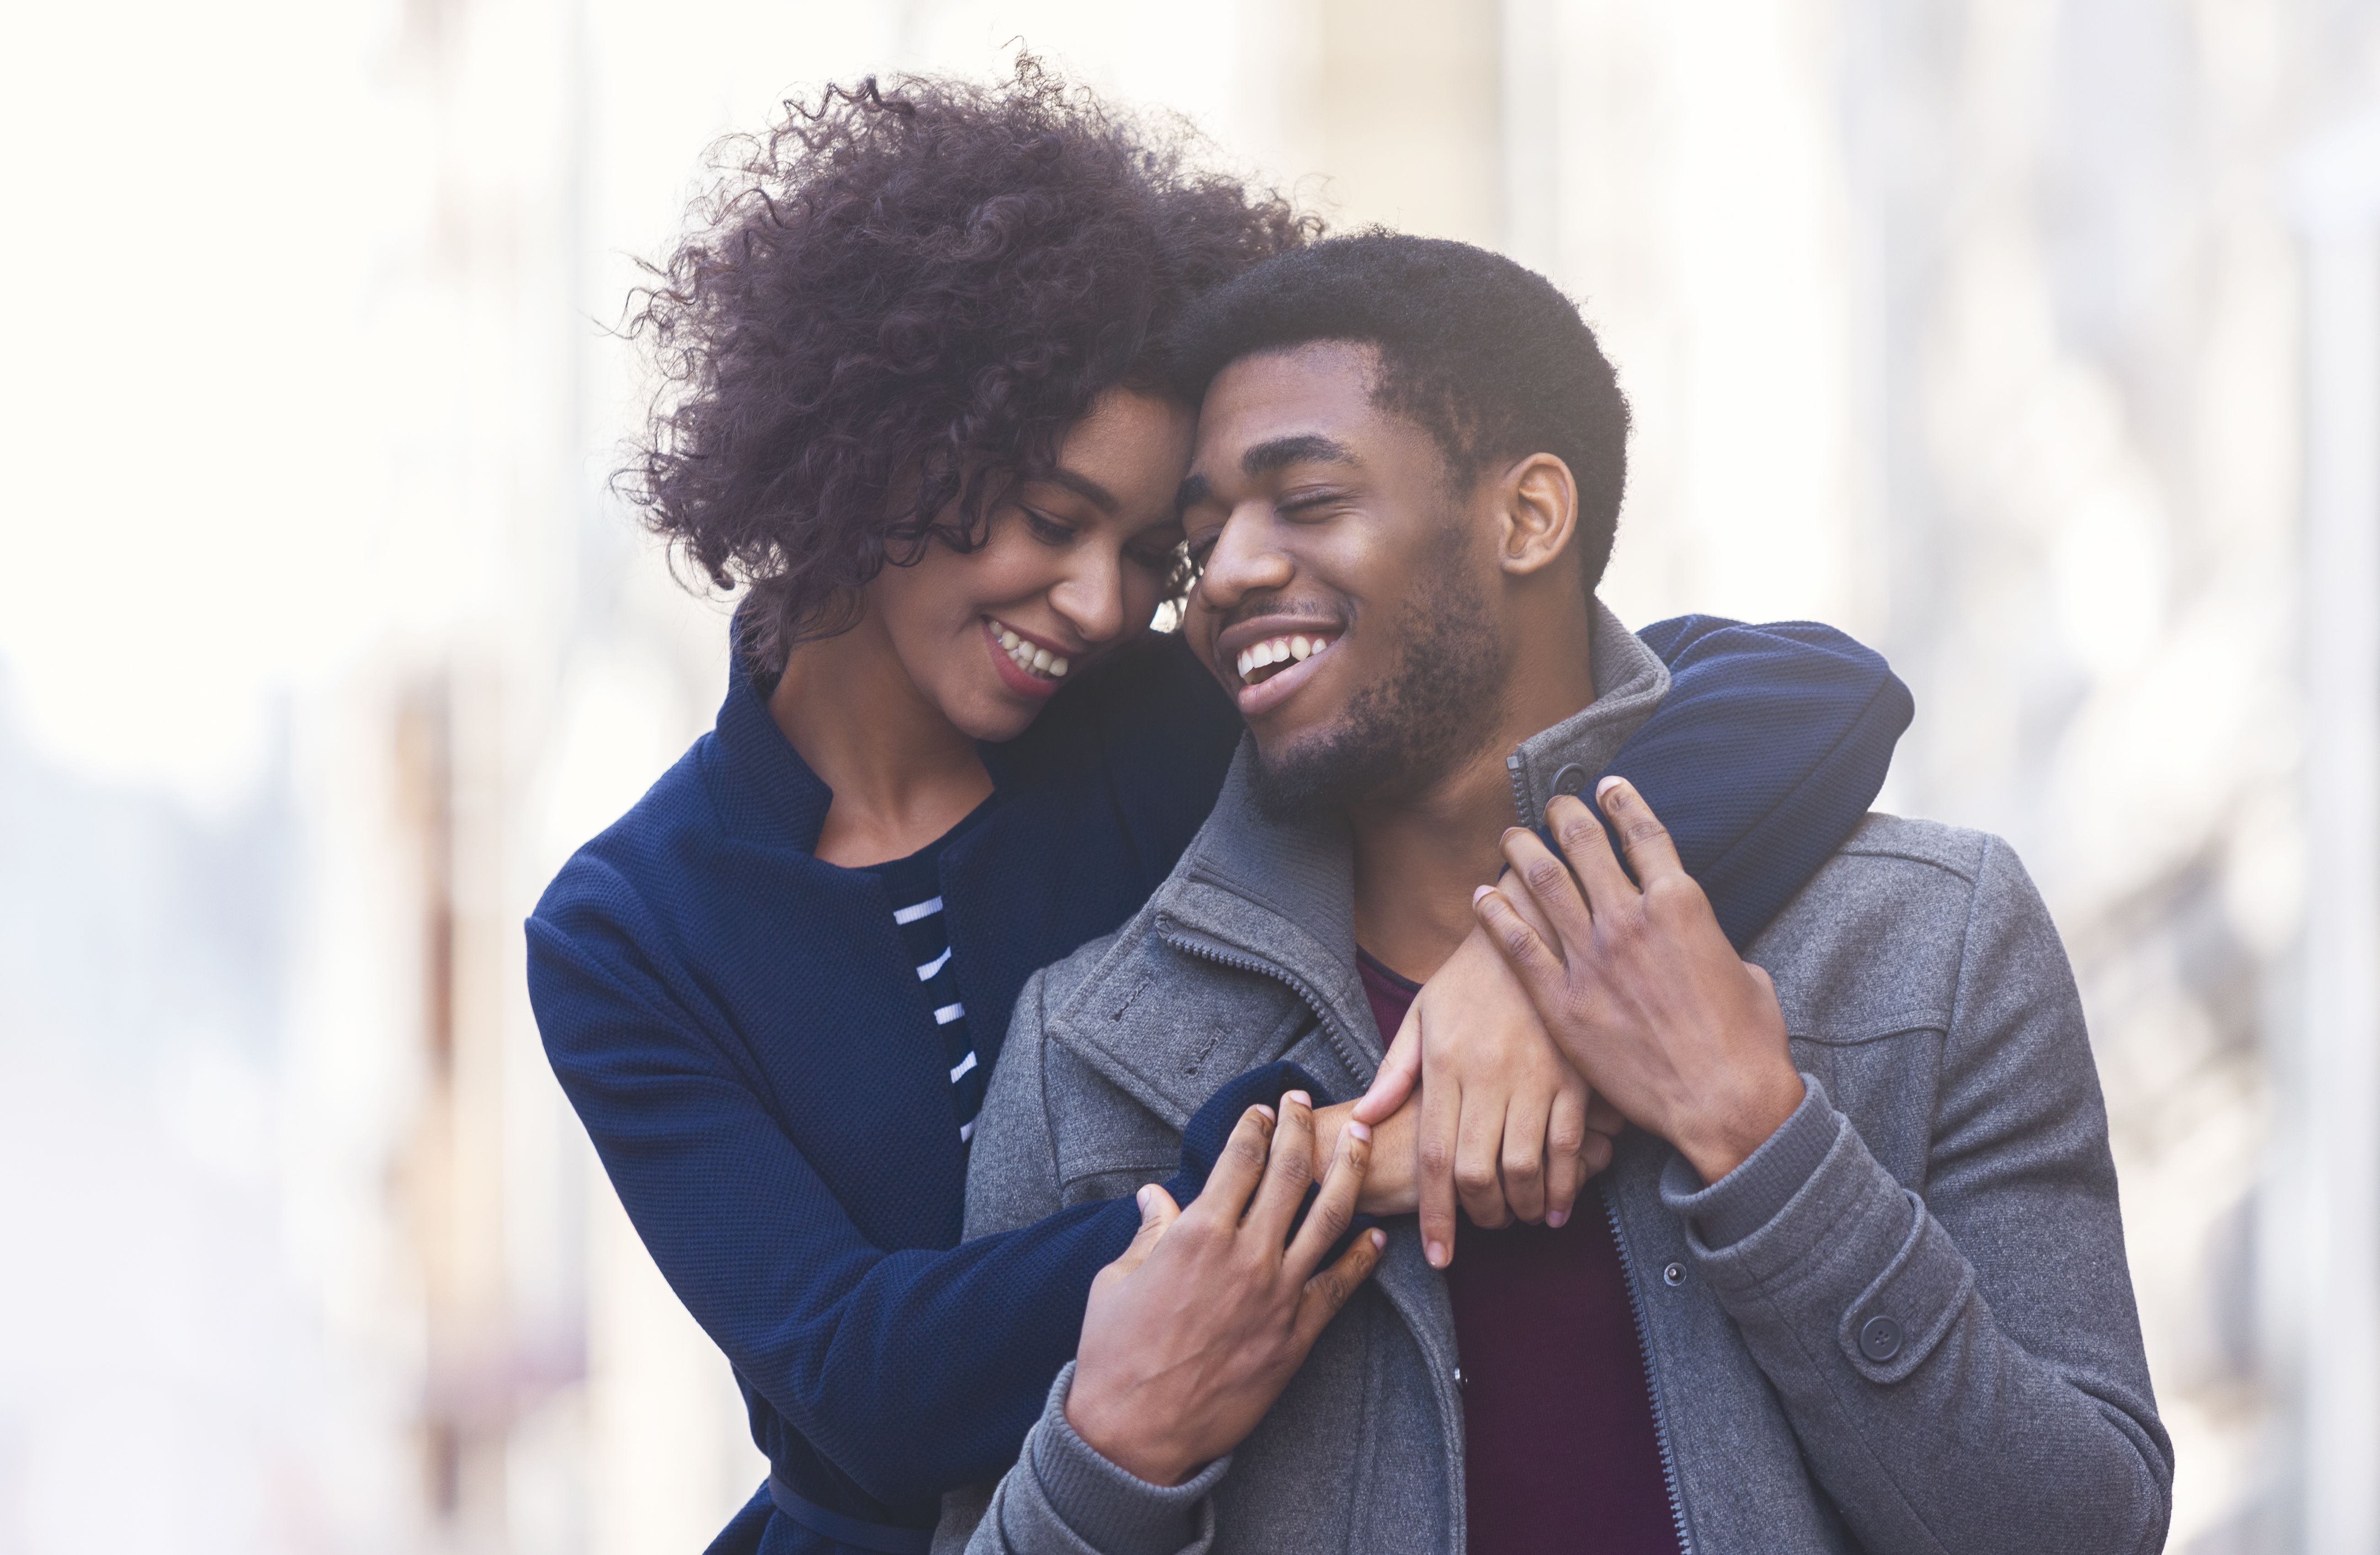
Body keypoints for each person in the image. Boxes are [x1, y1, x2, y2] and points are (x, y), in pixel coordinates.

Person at [527, 64, 1907, 1555]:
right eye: (1056, 524)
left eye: (1147, 554)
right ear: (878, 443)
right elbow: (862, 1384)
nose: (1103, 604)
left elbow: (1804, 693)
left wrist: (1525, 956)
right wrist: (1324, 1166)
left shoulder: (1175, 720)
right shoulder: (629, 929)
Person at [948, 234, 2171, 1555]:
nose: (1228, 576)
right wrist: (1112, 1458)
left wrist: (1758, 1137)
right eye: (1200, 543)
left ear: (1528, 516)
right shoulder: (1092, 1058)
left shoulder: (1927, 941)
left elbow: (2084, 1529)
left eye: (1303, 499)